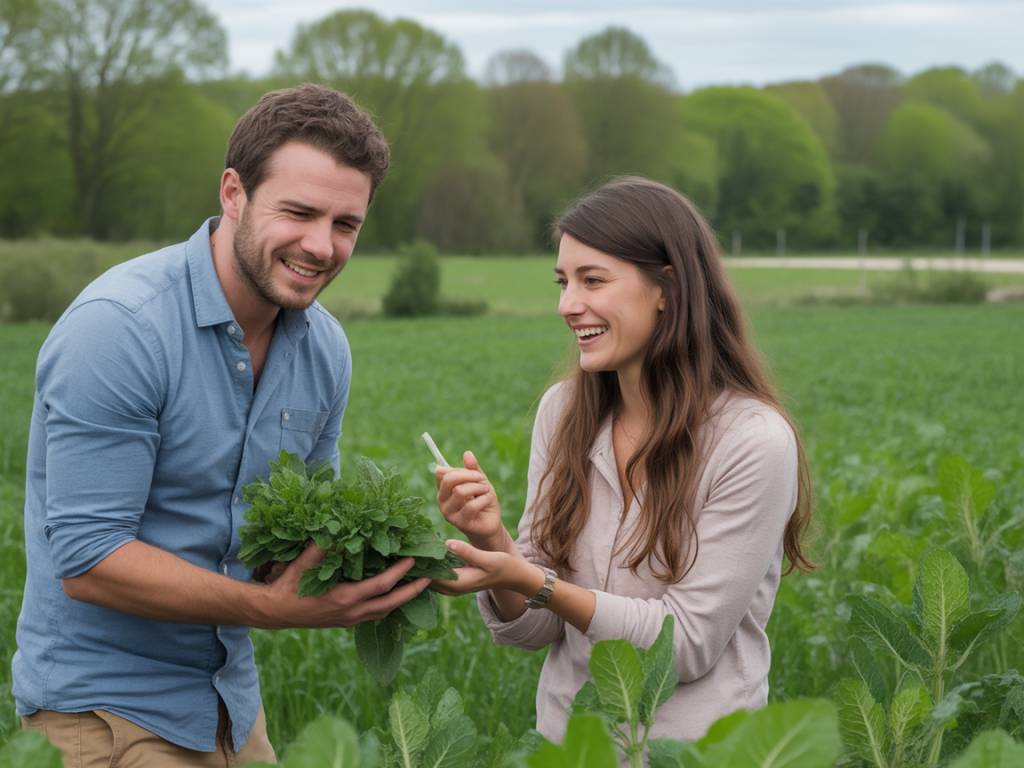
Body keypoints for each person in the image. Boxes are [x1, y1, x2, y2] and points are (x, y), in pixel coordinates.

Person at [13, 84, 431, 766]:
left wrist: (422, 561)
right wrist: (275, 609)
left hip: (229, 707)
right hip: (103, 712)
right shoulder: (121, 330)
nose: (321, 246)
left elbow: (289, 540)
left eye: (346, 224)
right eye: (298, 212)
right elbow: (88, 561)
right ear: (233, 193)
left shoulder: (323, 350)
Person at [434, 176, 814, 745]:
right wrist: (495, 543)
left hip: (696, 755)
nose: (568, 305)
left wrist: (533, 580)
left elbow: (683, 646)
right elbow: (534, 629)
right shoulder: (563, 412)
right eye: (563, 282)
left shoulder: (753, 441)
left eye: (593, 280)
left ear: (668, 287)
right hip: (571, 750)